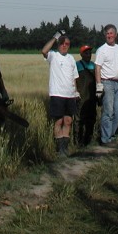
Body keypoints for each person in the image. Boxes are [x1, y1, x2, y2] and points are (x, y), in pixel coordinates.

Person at [41, 29, 79, 157]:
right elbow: (44, 51)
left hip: (70, 94)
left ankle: (65, 148)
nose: (64, 45)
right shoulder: (53, 56)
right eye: (62, 43)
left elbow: (74, 77)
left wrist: (76, 91)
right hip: (57, 94)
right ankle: (59, 149)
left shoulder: (71, 59)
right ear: (58, 44)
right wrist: (55, 37)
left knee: (68, 121)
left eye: (67, 44)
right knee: (58, 121)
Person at [94, 24, 118, 145]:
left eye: (111, 33)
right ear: (105, 35)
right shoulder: (102, 50)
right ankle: (105, 139)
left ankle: (111, 135)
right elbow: (98, 68)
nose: (109, 36)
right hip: (107, 83)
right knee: (108, 112)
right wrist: (99, 85)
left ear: (115, 35)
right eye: (107, 34)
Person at [75, 44, 97, 146]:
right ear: (81, 54)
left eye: (89, 53)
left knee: (91, 118)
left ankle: (88, 140)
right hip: (82, 96)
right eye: (86, 53)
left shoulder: (94, 65)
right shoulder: (77, 65)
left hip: (92, 96)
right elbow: (73, 79)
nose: (88, 55)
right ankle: (78, 141)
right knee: (79, 119)